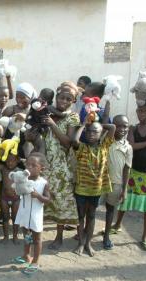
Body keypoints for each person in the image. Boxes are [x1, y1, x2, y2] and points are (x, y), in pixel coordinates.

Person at [112, 94, 146, 251]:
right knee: (125, 198)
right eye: (139, 111)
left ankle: (145, 236)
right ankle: (117, 225)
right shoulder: (133, 128)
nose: (141, 114)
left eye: (145, 111)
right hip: (134, 170)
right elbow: (132, 146)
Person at [43, 82, 80, 250]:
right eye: (61, 97)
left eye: (68, 99)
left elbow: (68, 143)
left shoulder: (73, 117)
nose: (64, 101)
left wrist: (52, 124)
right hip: (43, 163)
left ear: (73, 101)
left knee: (60, 202)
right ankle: (34, 233)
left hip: (60, 167)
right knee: (39, 197)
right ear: (56, 97)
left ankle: (59, 237)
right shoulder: (46, 111)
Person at [72, 120, 115, 257]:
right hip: (81, 188)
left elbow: (113, 127)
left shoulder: (104, 146)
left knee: (91, 215)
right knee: (80, 216)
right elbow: (74, 140)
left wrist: (97, 122)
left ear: (101, 133)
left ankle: (88, 243)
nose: (91, 134)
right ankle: (80, 242)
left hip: (95, 189)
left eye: (95, 131)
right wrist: (85, 124)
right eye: (89, 131)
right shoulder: (82, 147)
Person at [12, 152, 51, 274]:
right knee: (26, 235)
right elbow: (17, 192)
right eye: (27, 165)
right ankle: (26, 255)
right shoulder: (23, 179)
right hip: (24, 212)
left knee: (37, 239)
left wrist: (38, 196)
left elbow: (48, 200)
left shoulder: (43, 183)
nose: (29, 167)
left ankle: (35, 261)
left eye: (33, 165)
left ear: (41, 169)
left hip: (35, 215)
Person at [102, 115, 132, 250]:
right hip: (99, 182)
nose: (121, 129)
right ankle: (84, 232)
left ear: (128, 128)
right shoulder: (106, 139)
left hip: (116, 184)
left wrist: (124, 189)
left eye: (125, 126)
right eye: (117, 125)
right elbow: (103, 125)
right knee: (89, 208)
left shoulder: (128, 147)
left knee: (110, 210)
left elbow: (127, 169)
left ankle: (106, 236)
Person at [0, 153, 21, 243]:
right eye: (7, 161)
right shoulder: (3, 169)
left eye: (12, 161)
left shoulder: (19, 171)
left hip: (16, 199)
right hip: (4, 198)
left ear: (17, 160)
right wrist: (0, 152)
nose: (9, 163)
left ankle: (15, 237)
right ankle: (6, 237)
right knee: (5, 218)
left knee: (15, 218)